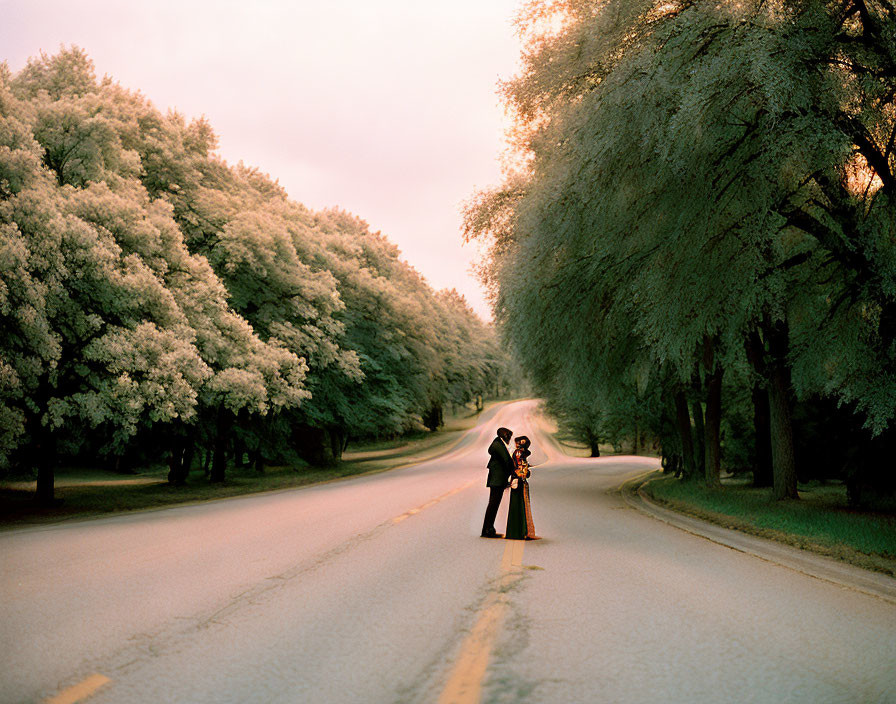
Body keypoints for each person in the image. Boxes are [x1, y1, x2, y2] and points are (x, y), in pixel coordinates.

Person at [481, 427, 514, 538]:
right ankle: (487, 530)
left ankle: (488, 529)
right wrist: (516, 471)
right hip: (497, 479)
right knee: (493, 504)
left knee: (493, 504)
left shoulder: (498, 443)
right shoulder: (498, 445)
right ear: (505, 435)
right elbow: (507, 461)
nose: (510, 438)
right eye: (509, 435)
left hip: (497, 478)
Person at [505, 435, 539, 540]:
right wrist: (524, 473)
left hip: (520, 480)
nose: (521, 444)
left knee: (521, 505)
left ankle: (519, 531)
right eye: (520, 442)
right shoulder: (519, 453)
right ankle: (517, 531)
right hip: (518, 481)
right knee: (518, 505)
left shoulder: (520, 454)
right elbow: (519, 468)